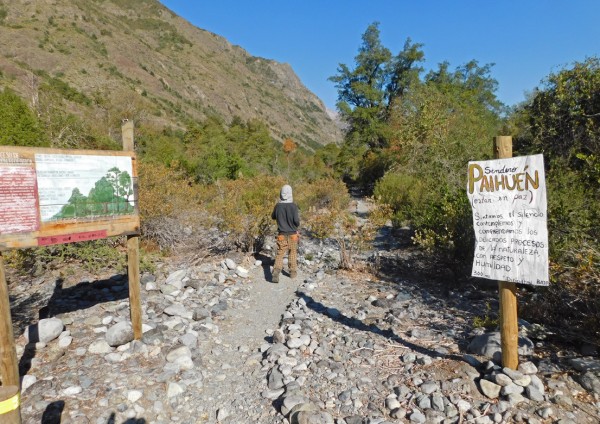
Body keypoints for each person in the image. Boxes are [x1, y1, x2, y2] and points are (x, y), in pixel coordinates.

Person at [271, 184, 300, 283]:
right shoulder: (294, 206)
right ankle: (292, 272)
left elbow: (273, 217)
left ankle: (276, 271)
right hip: (293, 234)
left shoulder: (278, 206)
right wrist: (296, 225)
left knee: (280, 253)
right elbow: (296, 221)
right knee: (292, 252)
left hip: (281, 234)